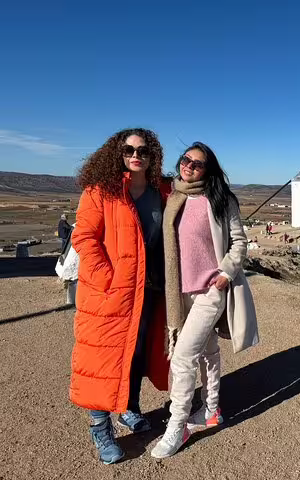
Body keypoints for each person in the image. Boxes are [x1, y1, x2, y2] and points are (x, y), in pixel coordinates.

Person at [152, 142, 259, 458]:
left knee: (183, 356)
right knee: (208, 351)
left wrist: (225, 273)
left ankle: (178, 426)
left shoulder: (221, 200)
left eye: (197, 164)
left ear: (207, 170)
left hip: (211, 291)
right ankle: (211, 410)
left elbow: (239, 243)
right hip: (180, 290)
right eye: (185, 160)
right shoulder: (175, 196)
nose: (189, 166)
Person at [70, 128, 170, 464]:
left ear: (152, 155)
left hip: (149, 293)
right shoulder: (101, 191)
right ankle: (101, 427)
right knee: (100, 360)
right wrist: (106, 279)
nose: (135, 155)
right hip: (108, 295)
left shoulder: (162, 192)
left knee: (136, 354)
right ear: (117, 153)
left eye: (143, 150)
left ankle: (129, 407)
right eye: (128, 149)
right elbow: (84, 237)